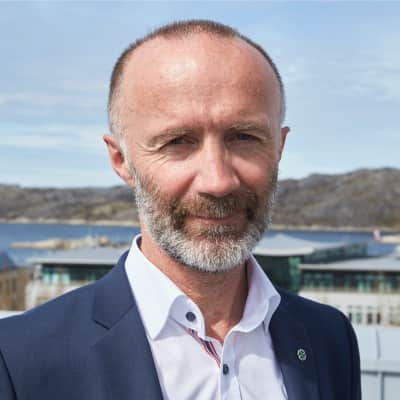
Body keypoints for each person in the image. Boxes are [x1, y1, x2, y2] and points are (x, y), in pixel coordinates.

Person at [0, 20, 361, 400]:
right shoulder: (19, 361)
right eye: (177, 142)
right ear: (121, 160)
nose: (218, 181)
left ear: (279, 148)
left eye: (244, 137)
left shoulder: (329, 338)